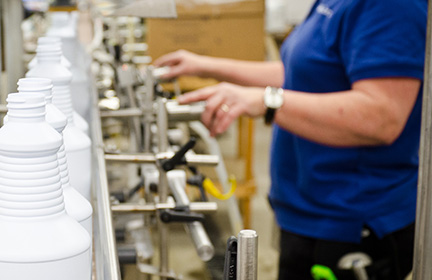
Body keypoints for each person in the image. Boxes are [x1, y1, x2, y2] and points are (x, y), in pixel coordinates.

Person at [154, 0, 426, 279]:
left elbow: (381, 118)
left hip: (350, 224)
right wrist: (205, 65)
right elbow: (303, 73)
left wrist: (267, 102)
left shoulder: (392, 6)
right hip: (307, 212)